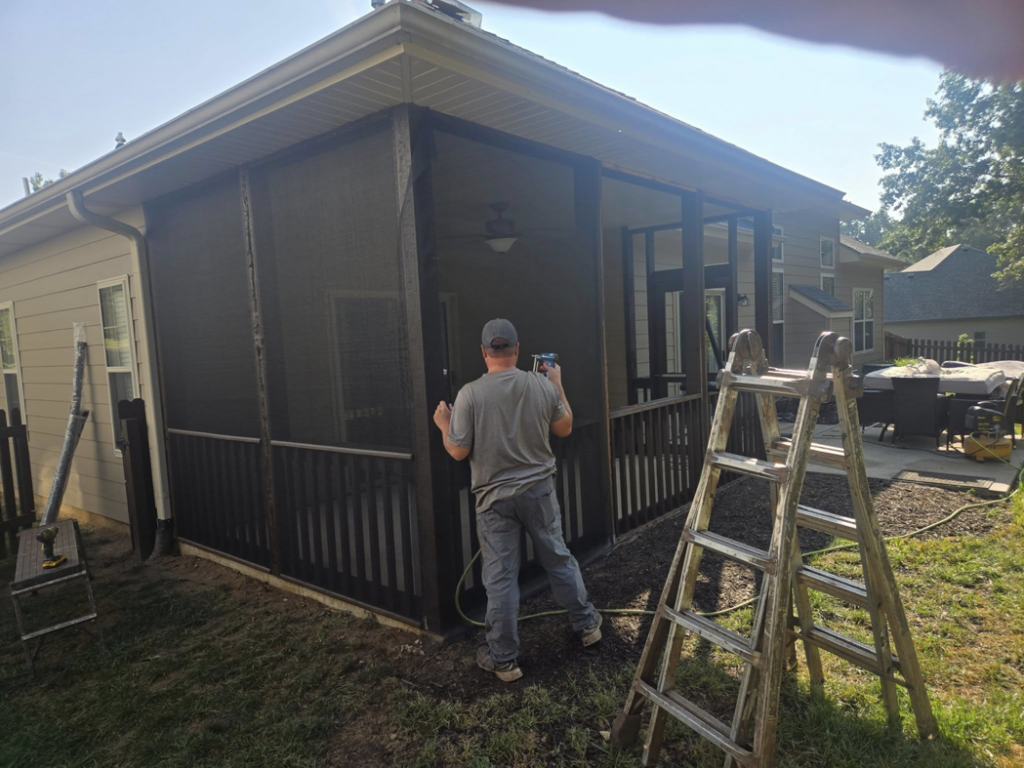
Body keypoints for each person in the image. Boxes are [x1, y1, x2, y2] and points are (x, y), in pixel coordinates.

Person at [432, 318, 601, 682]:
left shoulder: (469, 394)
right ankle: (587, 626)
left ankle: (504, 659)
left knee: (501, 578)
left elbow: (458, 452)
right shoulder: (540, 385)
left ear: (483, 352)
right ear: (517, 350)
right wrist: (557, 384)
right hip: (538, 491)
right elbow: (565, 427)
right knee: (557, 558)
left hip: (494, 501)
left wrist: (444, 424)